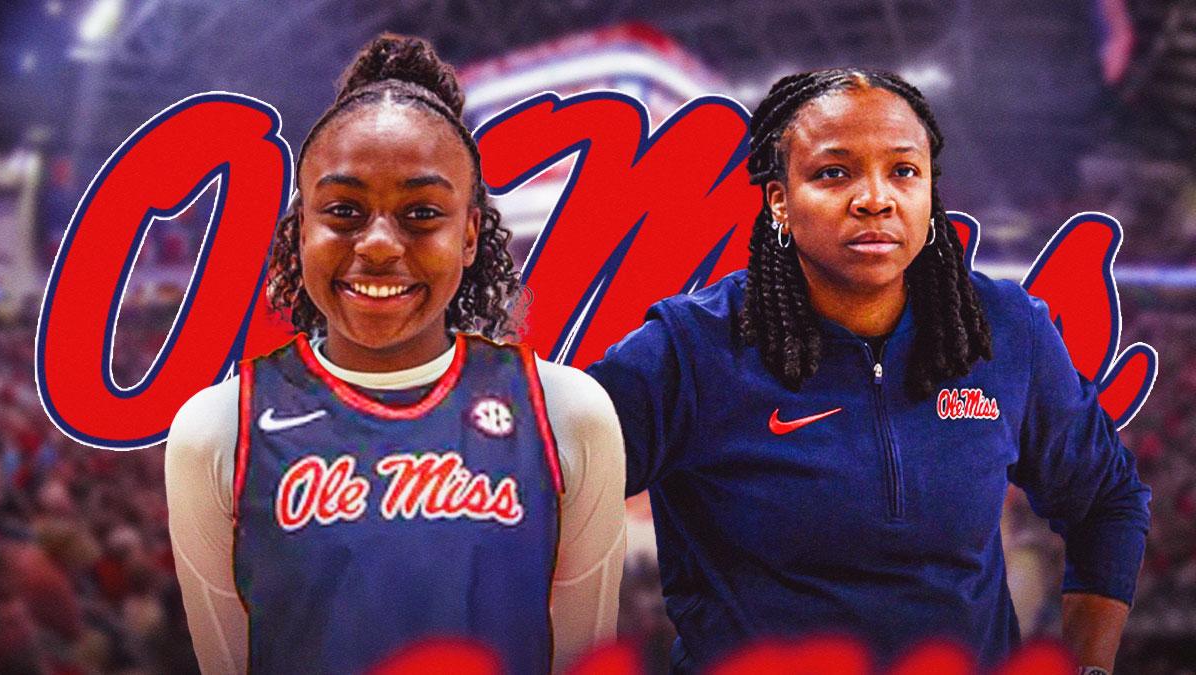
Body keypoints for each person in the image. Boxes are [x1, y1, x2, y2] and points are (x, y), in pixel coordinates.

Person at [587, 69, 1150, 673]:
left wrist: (1089, 664)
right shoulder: (690, 349)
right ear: (779, 199)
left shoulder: (1006, 331)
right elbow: (549, 494)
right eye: (834, 172)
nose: (875, 197)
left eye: (904, 171)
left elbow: (1107, 499)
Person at [165, 34, 625, 675]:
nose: (379, 244)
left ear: (468, 234)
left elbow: (583, 658)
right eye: (345, 210)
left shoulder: (570, 413)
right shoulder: (215, 430)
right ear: (301, 231)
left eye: (420, 213)